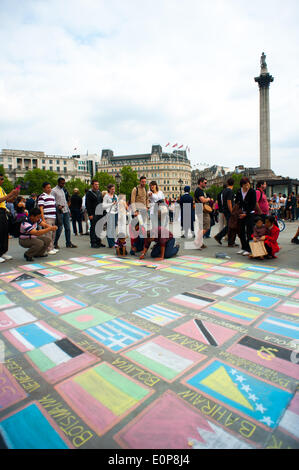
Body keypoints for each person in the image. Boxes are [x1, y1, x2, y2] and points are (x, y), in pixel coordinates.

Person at [51, 177, 77, 249]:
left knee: (68, 228)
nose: (63, 184)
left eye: (64, 183)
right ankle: (55, 242)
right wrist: (57, 206)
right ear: (58, 183)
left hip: (65, 210)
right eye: (62, 183)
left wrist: (69, 210)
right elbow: (52, 201)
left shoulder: (64, 190)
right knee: (59, 228)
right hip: (59, 211)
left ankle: (68, 242)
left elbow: (66, 200)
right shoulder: (53, 190)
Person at [0, 174, 20, 263]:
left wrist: (15, 195)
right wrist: (10, 194)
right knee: (0, 232)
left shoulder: (1, 189)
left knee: (5, 231)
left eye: (3, 179)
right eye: (1, 179)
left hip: (3, 211)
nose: (2, 181)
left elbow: (8, 200)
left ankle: (3, 251)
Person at [235, 177, 256, 256]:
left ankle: (248, 248)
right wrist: (239, 211)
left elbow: (253, 204)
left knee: (249, 231)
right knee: (241, 231)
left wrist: (246, 213)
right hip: (241, 213)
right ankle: (243, 247)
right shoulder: (239, 191)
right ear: (242, 185)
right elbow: (237, 202)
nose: (247, 187)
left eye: (248, 185)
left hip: (249, 213)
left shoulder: (252, 192)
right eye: (245, 185)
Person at [214, 178, 237, 247]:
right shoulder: (230, 191)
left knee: (229, 226)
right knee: (231, 226)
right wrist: (232, 211)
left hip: (225, 210)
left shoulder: (224, 191)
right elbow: (229, 202)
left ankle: (225, 239)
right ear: (233, 184)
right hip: (229, 210)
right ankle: (222, 237)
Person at [37, 182, 59, 255]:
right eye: (48, 187)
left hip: (53, 217)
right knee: (48, 233)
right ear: (44, 188)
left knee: (53, 233)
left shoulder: (52, 197)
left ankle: (52, 247)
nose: (49, 189)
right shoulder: (42, 196)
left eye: (50, 187)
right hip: (47, 217)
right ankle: (48, 248)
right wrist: (43, 219)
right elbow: (41, 208)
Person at [85, 179, 105, 248]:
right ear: (92, 185)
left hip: (100, 212)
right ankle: (93, 242)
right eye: (96, 184)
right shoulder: (89, 193)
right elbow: (87, 204)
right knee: (93, 228)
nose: (97, 186)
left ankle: (98, 241)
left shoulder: (99, 192)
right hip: (93, 213)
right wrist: (90, 214)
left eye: (98, 184)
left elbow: (102, 203)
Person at [194, 177, 211, 249]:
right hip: (202, 210)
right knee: (206, 226)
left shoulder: (199, 190)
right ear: (200, 182)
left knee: (201, 227)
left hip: (199, 208)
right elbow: (203, 200)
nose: (206, 184)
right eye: (205, 182)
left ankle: (200, 243)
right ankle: (197, 241)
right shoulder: (199, 190)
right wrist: (208, 199)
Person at [103, 184, 118, 248]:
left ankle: (112, 241)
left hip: (115, 212)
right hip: (109, 213)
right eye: (112, 189)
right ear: (109, 189)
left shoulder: (115, 196)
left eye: (114, 189)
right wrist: (111, 204)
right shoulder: (106, 196)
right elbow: (104, 206)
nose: (113, 190)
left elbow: (117, 204)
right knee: (110, 228)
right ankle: (110, 243)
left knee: (113, 228)